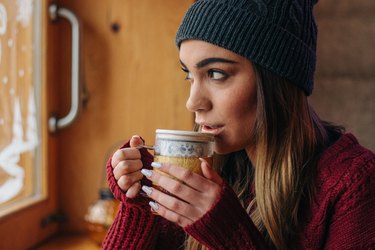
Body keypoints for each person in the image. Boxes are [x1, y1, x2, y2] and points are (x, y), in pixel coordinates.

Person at [102, 0, 375, 249]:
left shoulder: (355, 187)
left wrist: (228, 233)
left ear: (275, 82)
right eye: (189, 75)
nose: (193, 102)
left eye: (216, 74)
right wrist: (140, 205)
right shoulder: (210, 170)